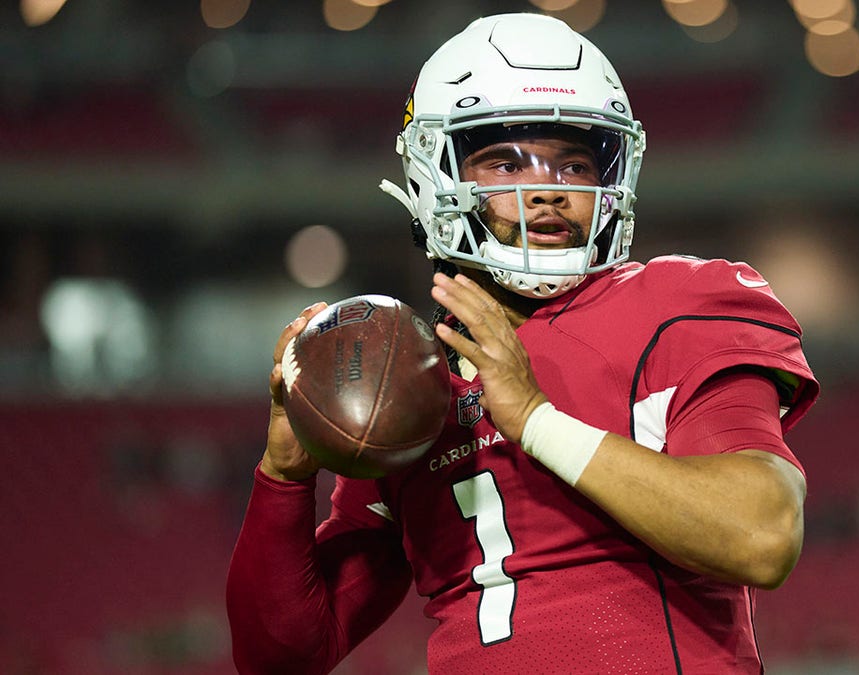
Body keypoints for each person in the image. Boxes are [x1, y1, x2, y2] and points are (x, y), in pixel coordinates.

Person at [226, 12, 819, 674]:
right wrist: (284, 477)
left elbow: (762, 534)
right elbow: (278, 656)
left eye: (574, 163)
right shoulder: (411, 376)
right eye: (506, 161)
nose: (548, 191)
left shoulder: (678, 307)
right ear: (436, 178)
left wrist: (537, 421)